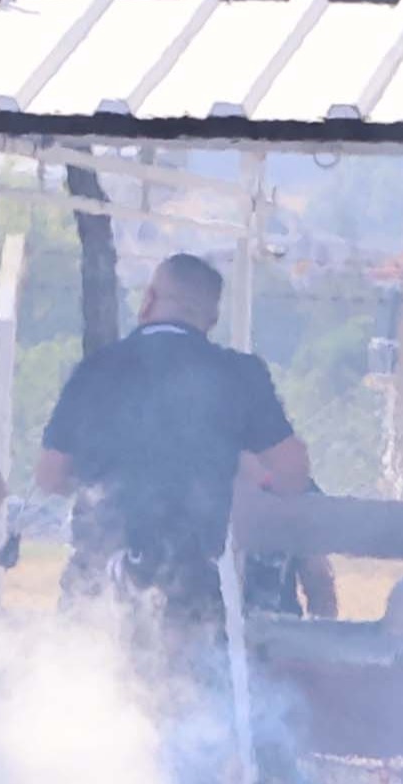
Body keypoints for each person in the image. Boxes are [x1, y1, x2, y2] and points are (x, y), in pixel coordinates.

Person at [36, 252, 310, 646]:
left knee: (88, 694)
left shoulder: (96, 368)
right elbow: (291, 474)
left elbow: (50, 475)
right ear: (211, 321)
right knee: (188, 700)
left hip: (96, 579)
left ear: (148, 300)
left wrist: (105, 484)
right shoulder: (239, 374)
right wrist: (239, 471)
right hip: (189, 586)